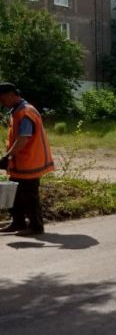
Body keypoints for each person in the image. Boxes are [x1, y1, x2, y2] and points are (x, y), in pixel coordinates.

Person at [0, 83, 54, 235]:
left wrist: (7, 156)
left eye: (2, 99)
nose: (1, 103)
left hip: (30, 164)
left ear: (12, 94)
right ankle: (18, 223)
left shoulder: (25, 112)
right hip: (19, 163)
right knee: (14, 194)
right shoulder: (16, 111)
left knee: (30, 196)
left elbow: (23, 138)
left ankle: (36, 226)